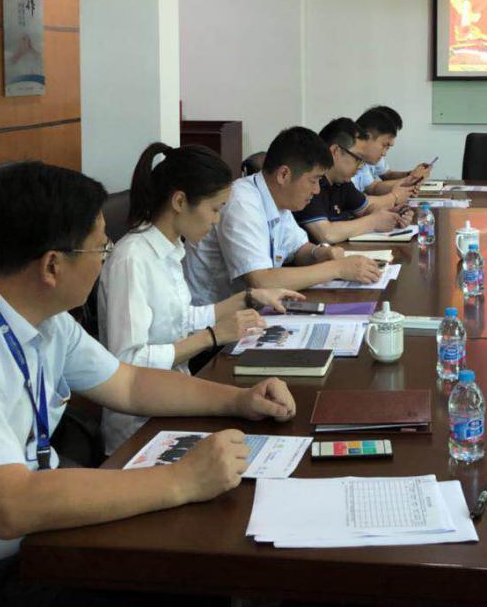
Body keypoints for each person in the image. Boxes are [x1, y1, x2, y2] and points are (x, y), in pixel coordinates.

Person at [0, 162, 296, 602]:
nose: (106, 259)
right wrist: (182, 480)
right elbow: (9, 505)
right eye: (101, 249)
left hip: (30, 543)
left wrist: (239, 400)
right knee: (184, 576)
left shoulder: (37, 311)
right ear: (52, 266)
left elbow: (128, 384)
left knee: (190, 558)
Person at [97, 142, 306, 453]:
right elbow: (129, 362)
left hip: (177, 400)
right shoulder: (132, 260)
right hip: (138, 428)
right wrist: (211, 336)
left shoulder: (171, 248)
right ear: (180, 201)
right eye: (215, 209)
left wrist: (248, 298)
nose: (216, 220)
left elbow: (180, 318)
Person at [183, 126, 383, 304]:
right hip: (214, 322)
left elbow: (299, 249)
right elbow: (260, 281)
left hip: (250, 313)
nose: (316, 190)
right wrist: (337, 268)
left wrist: (321, 253)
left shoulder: (279, 198)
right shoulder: (242, 203)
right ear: (284, 175)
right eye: (314, 180)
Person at [298, 118, 411, 244]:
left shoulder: (341, 182)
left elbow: (365, 209)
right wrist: (374, 221)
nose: (361, 166)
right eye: (358, 158)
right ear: (335, 151)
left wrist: (391, 215)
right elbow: (326, 234)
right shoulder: (311, 183)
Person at [354, 106, 432, 189]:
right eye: (385, 145)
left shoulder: (365, 157)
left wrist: (411, 176)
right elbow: (372, 189)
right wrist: (409, 180)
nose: (384, 153)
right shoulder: (354, 160)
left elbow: (381, 180)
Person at [352, 107, 416, 208]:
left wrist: (410, 180)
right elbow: (359, 202)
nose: (384, 153)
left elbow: (371, 188)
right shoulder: (345, 164)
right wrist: (394, 197)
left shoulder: (362, 160)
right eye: (385, 145)